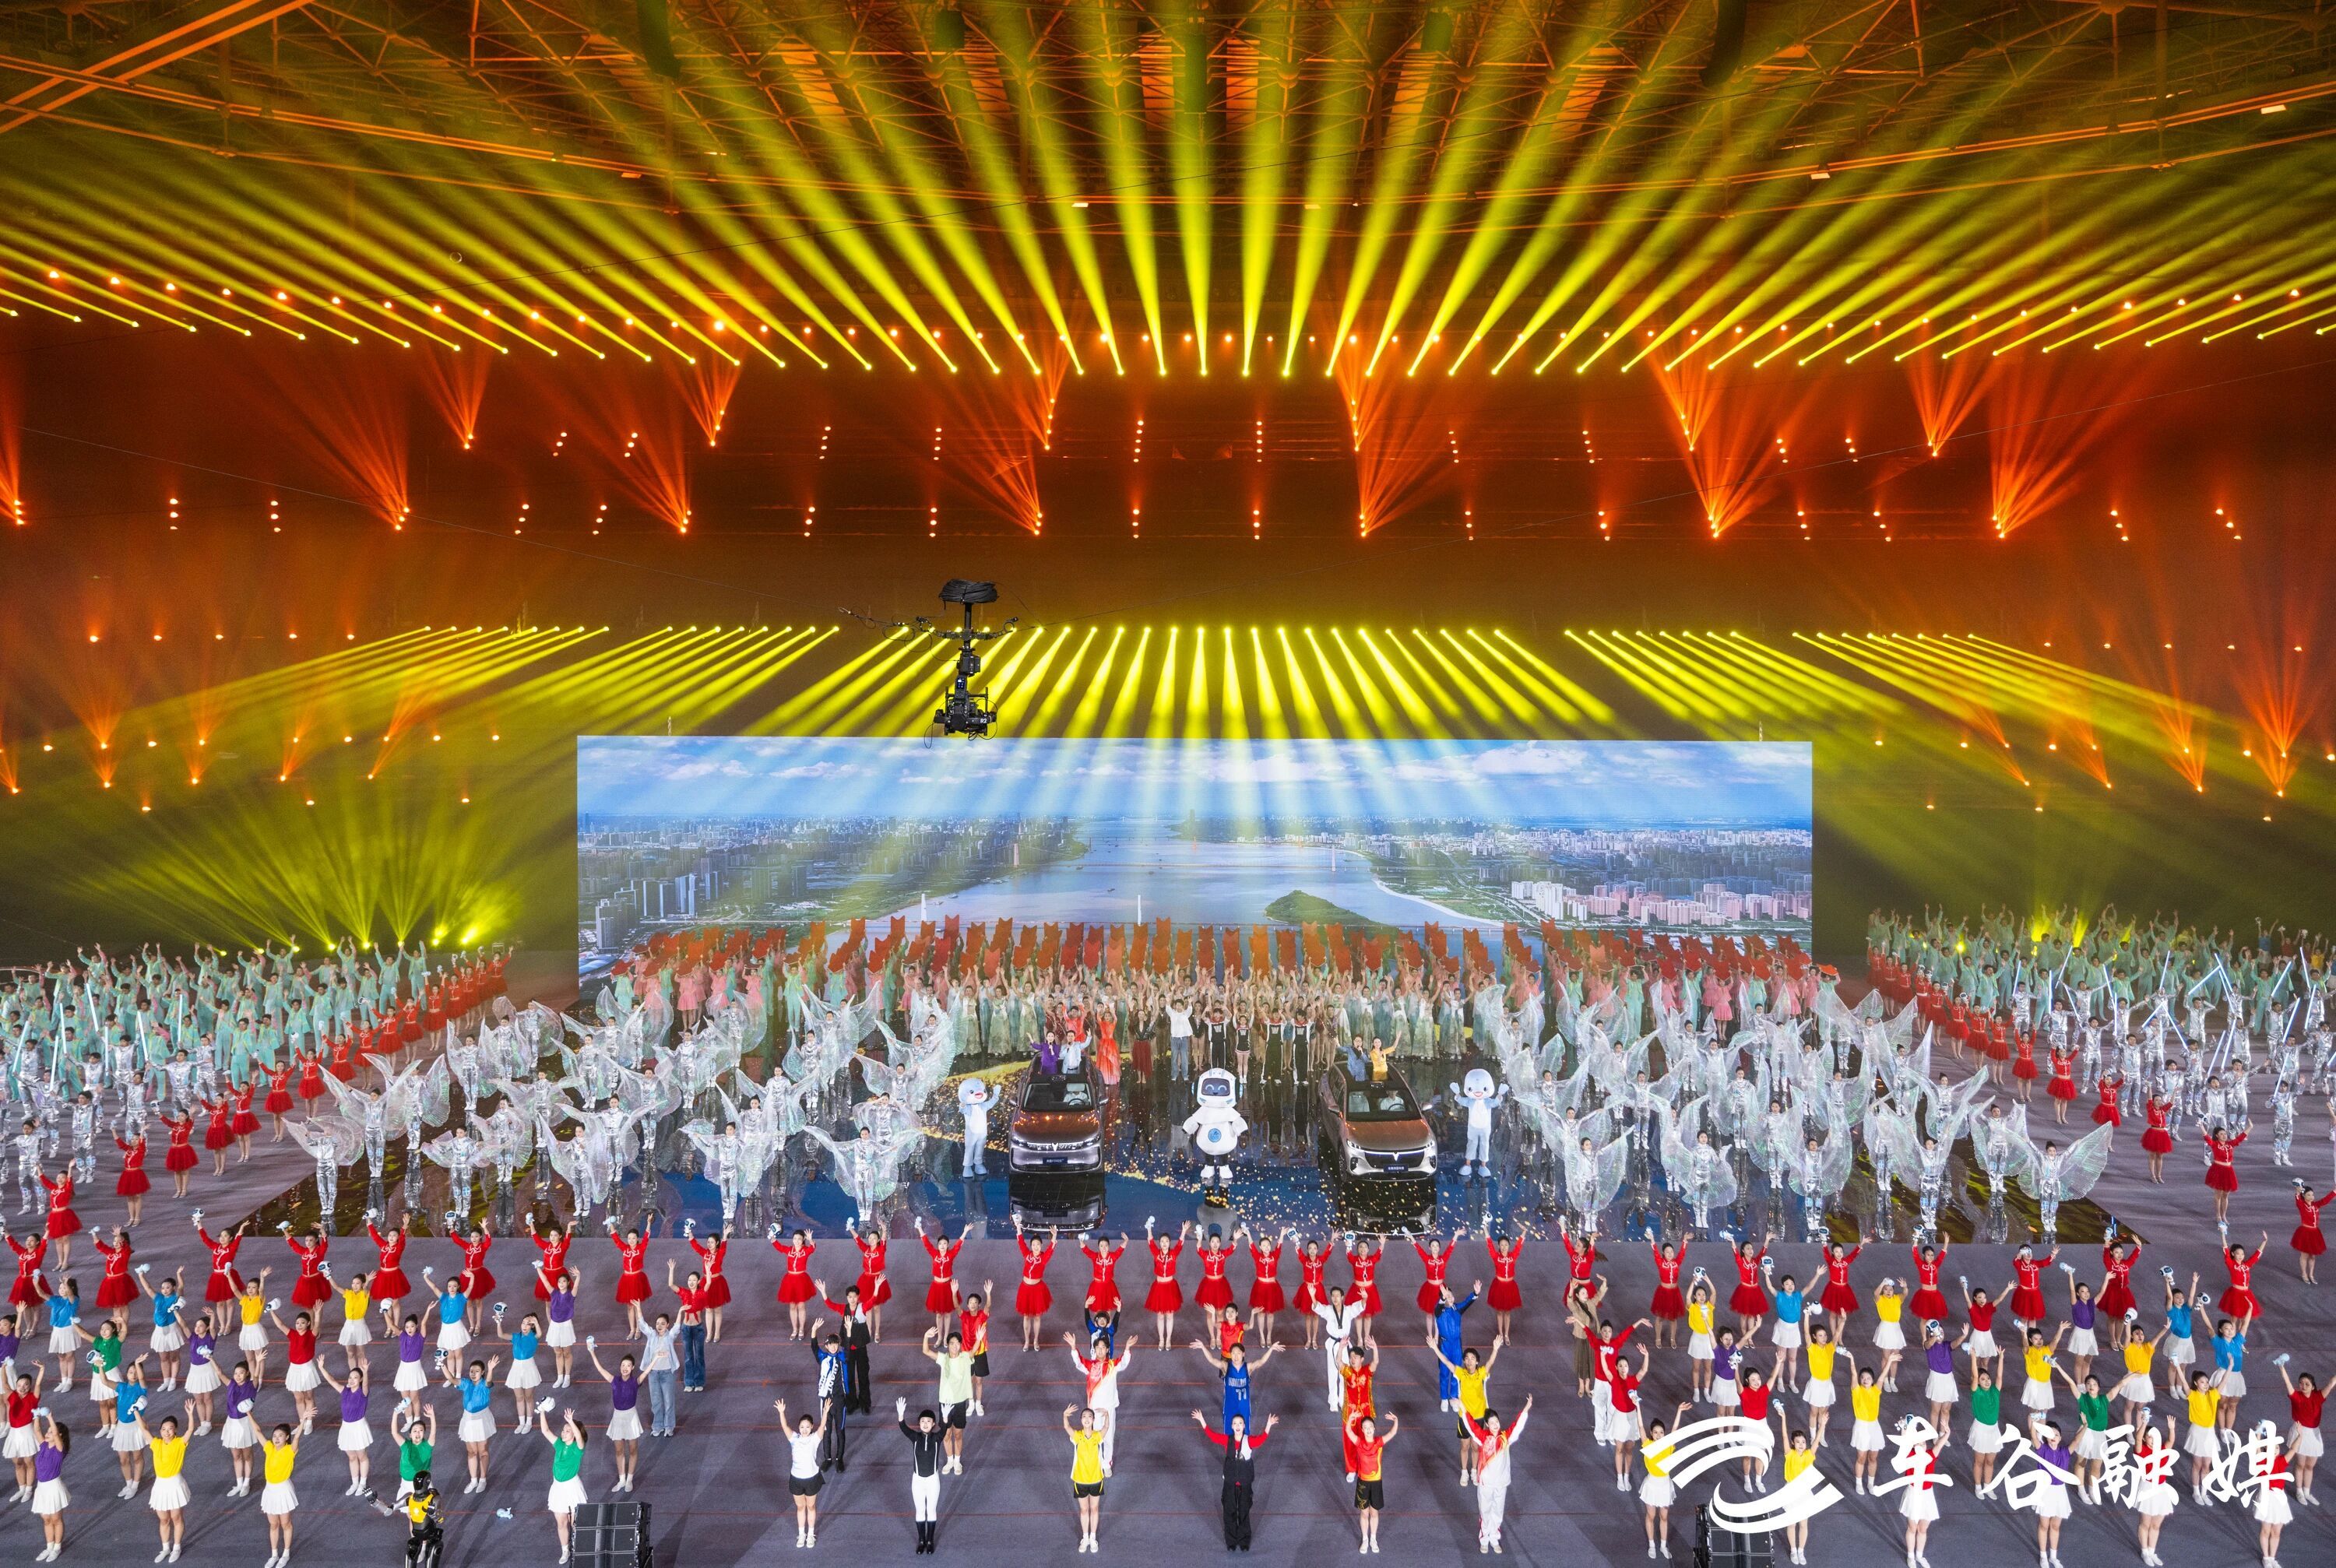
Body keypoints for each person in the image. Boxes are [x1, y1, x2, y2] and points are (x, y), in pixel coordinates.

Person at [1194, 1408, 1276, 1552]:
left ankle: (1244, 1541)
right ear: (1231, 1426)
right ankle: (1231, 1541)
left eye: (1240, 1423)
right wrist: (1202, 1421)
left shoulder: (1249, 1440)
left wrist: (1268, 1425)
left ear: (1244, 1426)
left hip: (1244, 1483)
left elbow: (1261, 1440)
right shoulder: (1227, 1440)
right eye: (1235, 1423)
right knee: (1229, 1511)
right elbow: (1213, 1436)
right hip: (1230, 1483)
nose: (1238, 1426)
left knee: (1244, 1512)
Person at [1463, 1397, 1532, 1553]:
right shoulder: (1483, 1437)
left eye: (1497, 1421)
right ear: (1487, 1424)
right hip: (1486, 1483)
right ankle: (1484, 1539)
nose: (1495, 1425)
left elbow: (1517, 1425)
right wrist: (1462, 1408)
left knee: (1498, 1511)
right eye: (1492, 1422)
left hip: (1501, 1482)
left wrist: (1526, 1408)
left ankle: (1494, 1538)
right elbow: (1472, 1426)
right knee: (1485, 1510)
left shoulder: (1505, 1438)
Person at [1065, 1329, 1135, 1473]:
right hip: (1094, 1410)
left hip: (1109, 1409)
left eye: (1103, 1347)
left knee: (1109, 1437)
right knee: (1094, 1437)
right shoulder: (1090, 1366)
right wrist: (1073, 1347)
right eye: (1098, 1348)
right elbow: (1079, 1362)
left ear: (1108, 1349)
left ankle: (1107, 1464)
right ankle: (1096, 1462)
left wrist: (1127, 1348)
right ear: (1094, 1350)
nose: (1100, 1350)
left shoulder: (1113, 1365)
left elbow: (1124, 1363)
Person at [582, 1340, 642, 1492]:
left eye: (628, 1366)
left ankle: (630, 1480)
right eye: (623, 1365)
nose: (625, 1368)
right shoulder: (614, 1380)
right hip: (618, 1418)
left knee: (633, 1450)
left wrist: (656, 1358)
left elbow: (647, 1371)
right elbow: (600, 1369)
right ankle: (622, 1480)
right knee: (619, 1450)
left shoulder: (635, 1382)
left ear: (633, 1368)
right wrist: (592, 1352)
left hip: (631, 1417)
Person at [537, 1405, 588, 1566]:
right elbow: (545, 1431)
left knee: (575, 1523)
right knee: (561, 1522)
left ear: (574, 1434)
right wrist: (542, 1411)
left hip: (572, 1487)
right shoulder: (559, 1444)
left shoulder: (577, 1449)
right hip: (558, 1488)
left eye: (567, 1431)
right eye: (563, 1430)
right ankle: (565, 1550)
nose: (563, 1433)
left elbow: (580, 1438)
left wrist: (571, 1422)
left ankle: (579, 1549)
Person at [315, 1353, 374, 1495]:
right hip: (346, 1427)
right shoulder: (345, 1391)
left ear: (360, 1380)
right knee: (352, 1457)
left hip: (359, 1427)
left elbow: (366, 1384)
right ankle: (355, 1483)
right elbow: (332, 1381)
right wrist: (321, 1368)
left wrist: (365, 1373)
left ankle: (363, 1483)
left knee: (362, 1456)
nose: (352, 1380)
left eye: (355, 1378)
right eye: (350, 1377)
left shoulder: (363, 1393)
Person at [920, 1326, 976, 1472]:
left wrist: (979, 1339)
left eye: (957, 1343)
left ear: (960, 1345)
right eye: (952, 1343)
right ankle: (949, 1461)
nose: (954, 1346)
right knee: (946, 1434)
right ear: (948, 1345)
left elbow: (973, 1352)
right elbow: (926, 1351)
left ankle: (957, 1462)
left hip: (960, 1403)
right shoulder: (943, 1358)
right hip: (945, 1403)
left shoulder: (965, 1358)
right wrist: (926, 1336)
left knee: (958, 1434)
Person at [1639, 1405, 1691, 1562]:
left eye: (1661, 1432)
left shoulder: (1669, 1446)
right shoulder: (1647, 1445)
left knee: (1664, 1517)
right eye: (1655, 1432)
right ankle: (1651, 1545)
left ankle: (1663, 1545)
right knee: (1651, 1515)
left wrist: (1679, 1411)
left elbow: (1675, 1429)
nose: (1658, 1435)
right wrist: (1637, 1406)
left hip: (1664, 1485)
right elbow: (1640, 1426)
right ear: (1651, 1434)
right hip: (1652, 1485)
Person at [139, 1408, 191, 1562]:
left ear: (175, 1431)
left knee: (176, 1518)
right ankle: (165, 1548)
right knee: (164, 1520)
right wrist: (136, 1412)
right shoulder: (156, 1444)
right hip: (160, 1486)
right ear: (160, 1431)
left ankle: (177, 1547)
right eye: (164, 1429)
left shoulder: (180, 1443)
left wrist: (189, 1415)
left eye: (170, 1429)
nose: (167, 1432)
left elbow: (190, 1430)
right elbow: (144, 1429)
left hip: (175, 1485)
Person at [775, 1397, 828, 1547]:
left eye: (807, 1427)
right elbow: (785, 1426)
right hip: (796, 1479)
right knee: (800, 1507)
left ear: (812, 1427)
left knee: (811, 1507)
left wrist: (825, 1412)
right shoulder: (794, 1439)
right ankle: (801, 1535)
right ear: (798, 1427)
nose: (804, 1430)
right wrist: (781, 1412)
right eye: (802, 1427)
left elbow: (822, 1426)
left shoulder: (815, 1439)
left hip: (811, 1479)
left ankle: (810, 1535)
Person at [896, 1397, 945, 1553]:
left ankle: (930, 1540)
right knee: (919, 1510)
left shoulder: (937, 1439)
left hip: (932, 1480)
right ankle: (921, 1540)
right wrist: (900, 1415)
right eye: (923, 1421)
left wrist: (945, 1418)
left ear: (933, 1424)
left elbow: (944, 1429)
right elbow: (904, 1428)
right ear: (919, 1423)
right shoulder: (915, 1438)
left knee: (931, 1510)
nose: (925, 1423)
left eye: (929, 1421)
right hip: (917, 1481)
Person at [1346, 1410, 1398, 1553]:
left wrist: (1396, 1421)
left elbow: (1392, 1433)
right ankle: (1365, 1539)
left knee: (1374, 1513)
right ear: (1362, 1430)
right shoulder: (1359, 1443)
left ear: (1374, 1429)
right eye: (1365, 1427)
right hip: (1363, 1483)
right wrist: (1350, 1419)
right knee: (1364, 1513)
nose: (1368, 1429)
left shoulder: (1379, 1442)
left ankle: (1373, 1538)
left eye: (1370, 1427)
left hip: (1376, 1483)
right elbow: (1348, 1432)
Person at [1064, 1403, 1108, 1553]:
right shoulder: (1077, 1437)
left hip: (1096, 1479)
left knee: (1094, 1509)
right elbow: (1067, 1428)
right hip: (1080, 1480)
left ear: (1093, 1420)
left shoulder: (1097, 1436)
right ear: (1081, 1420)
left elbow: (1106, 1428)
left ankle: (1093, 1538)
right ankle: (1085, 1537)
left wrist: (1107, 1415)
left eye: (1090, 1416)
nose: (1087, 1418)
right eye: (1084, 1416)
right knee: (1084, 1510)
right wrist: (1065, 1416)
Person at [452, 1354, 500, 1492]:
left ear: (483, 1372)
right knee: (471, 1452)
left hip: (482, 1419)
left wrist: (491, 1369)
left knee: (483, 1451)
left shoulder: (485, 1385)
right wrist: (442, 1365)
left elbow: (489, 1381)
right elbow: (452, 1379)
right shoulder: (466, 1383)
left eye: (477, 1371)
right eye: (471, 1371)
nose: (473, 1374)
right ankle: (474, 1480)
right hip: (468, 1419)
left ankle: (483, 1480)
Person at [2277, 1362, 2323, 1503]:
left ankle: (2307, 1492)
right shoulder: (2296, 1396)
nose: (2303, 1386)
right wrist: (2281, 1367)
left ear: (2313, 1387)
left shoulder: (2318, 1397)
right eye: (2301, 1383)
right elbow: (2287, 1382)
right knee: (2300, 1465)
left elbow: (2331, 1384)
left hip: (2314, 1434)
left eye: (2307, 1384)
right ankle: (2299, 1492)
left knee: (2310, 1466)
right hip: (2299, 1432)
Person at [257, 1422, 301, 1568]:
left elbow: (297, 1437)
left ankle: (286, 1554)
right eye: (274, 1435)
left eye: (280, 1436)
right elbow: (258, 1431)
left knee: (285, 1524)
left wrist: (304, 1421)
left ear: (287, 1437)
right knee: (273, 1524)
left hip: (283, 1490)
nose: (276, 1438)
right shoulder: (269, 1448)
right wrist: (248, 1414)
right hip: (270, 1490)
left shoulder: (290, 1450)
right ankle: (274, 1554)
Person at [29, 1408, 68, 1562]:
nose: (48, 1433)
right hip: (42, 1488)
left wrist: (50, 1418)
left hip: (53, 1487)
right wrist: (36, 1416)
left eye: (51, 1432)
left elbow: (56, 1435)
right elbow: (37, 1430)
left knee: (56, 1519)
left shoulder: (59, 1449)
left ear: (59, 1436)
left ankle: (57, 1548)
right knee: (46, 1519)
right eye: (48, 1431)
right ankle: (49, 1547)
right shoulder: (44, 1445)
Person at [392, 1400, 435, 1502]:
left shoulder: (427, 1446)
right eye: (415, 1431)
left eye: (421, 1430)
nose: (418, 1433)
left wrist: (432, 1417)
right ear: (410, 1435)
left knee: (425, 1510)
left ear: (424, 1433)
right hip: (406, 1485)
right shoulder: (405, 1446)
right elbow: (394, 1433)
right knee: (408, 1510)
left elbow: (433, 1433)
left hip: (423, 1485)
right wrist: (395, 1413)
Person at [399, 1471, 444, 1568]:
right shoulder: (411, 1497)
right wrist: (375, 1502)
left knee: (433, 1549)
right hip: (417, 1532)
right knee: (412, 1548)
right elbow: (390, 1509)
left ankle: (425, 1550)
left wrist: (432, 1513)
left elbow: (439, 1518)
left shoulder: (432, 1497)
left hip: (428, 1530)